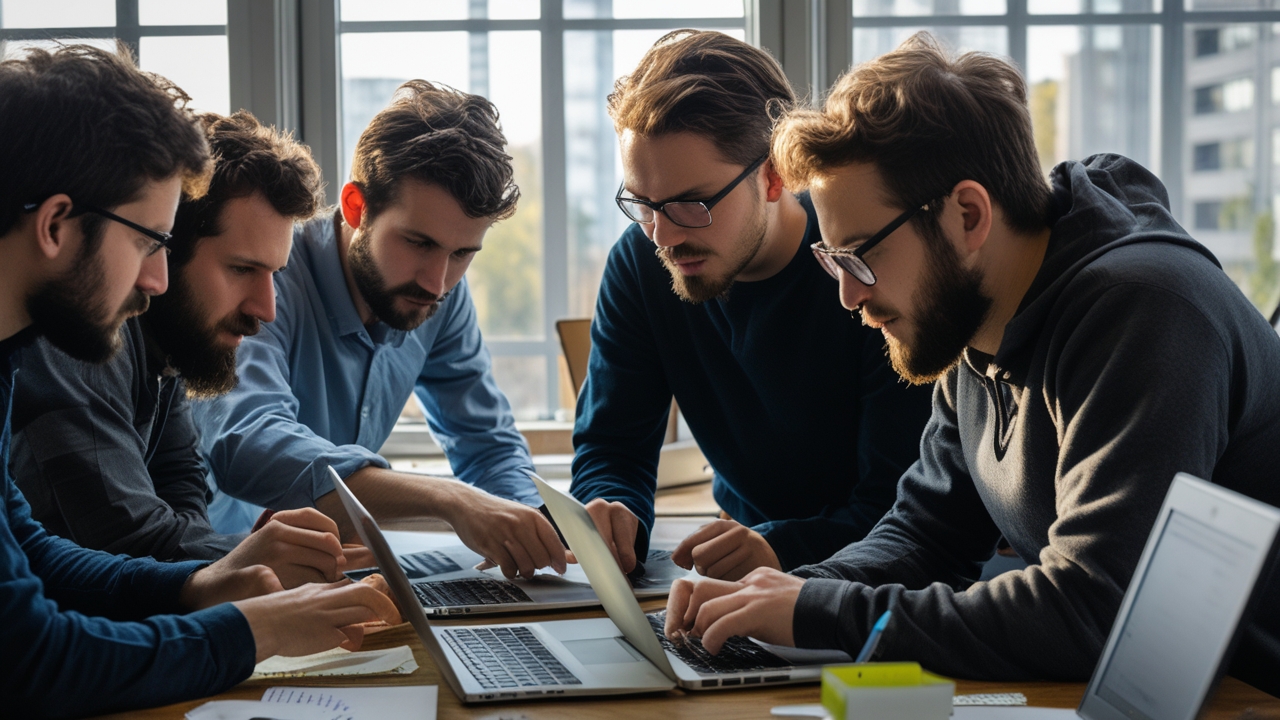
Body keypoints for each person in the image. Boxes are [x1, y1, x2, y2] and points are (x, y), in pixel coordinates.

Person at [662, 33, 1280, 695]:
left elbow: (1095, 608)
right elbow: (926, 535)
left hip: (1247, 696)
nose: (849, 296)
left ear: (967, 215)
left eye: (860, 256)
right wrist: (785, 595)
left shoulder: (1145, 314)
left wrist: (821, 611)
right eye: (833, 260)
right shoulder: (974, 319)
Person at [0, 45, 397, 717]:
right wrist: (256, 628)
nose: (157, 280)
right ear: (55, 224)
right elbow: (30, 659)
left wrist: (200, 586)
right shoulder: (56, 347)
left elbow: (30, 551)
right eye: (147, 242)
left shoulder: (10, 355)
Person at [569, 30, 933, 580]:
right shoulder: (641, 262)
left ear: (773, 175)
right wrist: (613, 510)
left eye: (692, 204)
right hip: (741, 564)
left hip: (877, 579)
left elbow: (905, 513)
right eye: (642, 204)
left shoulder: (863, 270)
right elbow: (611, 445)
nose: (663, 237)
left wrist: (777, 548)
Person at [191, 80, 567, 581]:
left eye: (462, 253)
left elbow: (486, 445)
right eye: (418, 243)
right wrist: (449, 499)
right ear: (355, 207)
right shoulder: (266, 276)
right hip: (214, 572)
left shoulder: (439, 295)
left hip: (334, 575)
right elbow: (247, 441)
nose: (437, 282)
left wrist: (536, 525)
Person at [8, 111, 365, 588]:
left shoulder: (167, 346)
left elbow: (180, 483)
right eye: (242, 269)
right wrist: (255, 561)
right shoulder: (83, 341)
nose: (266, 309)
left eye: (274, 275)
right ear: (170, 248)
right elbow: (127, 537)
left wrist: (252, 560)